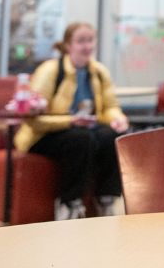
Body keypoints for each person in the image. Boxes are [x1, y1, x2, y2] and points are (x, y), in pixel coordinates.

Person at [14, 22, 128, 220]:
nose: (87, 46)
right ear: (68, 46)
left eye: (90, 40)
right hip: (43, 135)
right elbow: (34, 119)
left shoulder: (99, 72)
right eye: (81, 41)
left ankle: (106, 198)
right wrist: (71, 121)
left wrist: (118, 119)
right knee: (81, 138)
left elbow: (110, 106)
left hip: (84, 130)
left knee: (112, 136)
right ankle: (69, 204)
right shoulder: (50, 70)